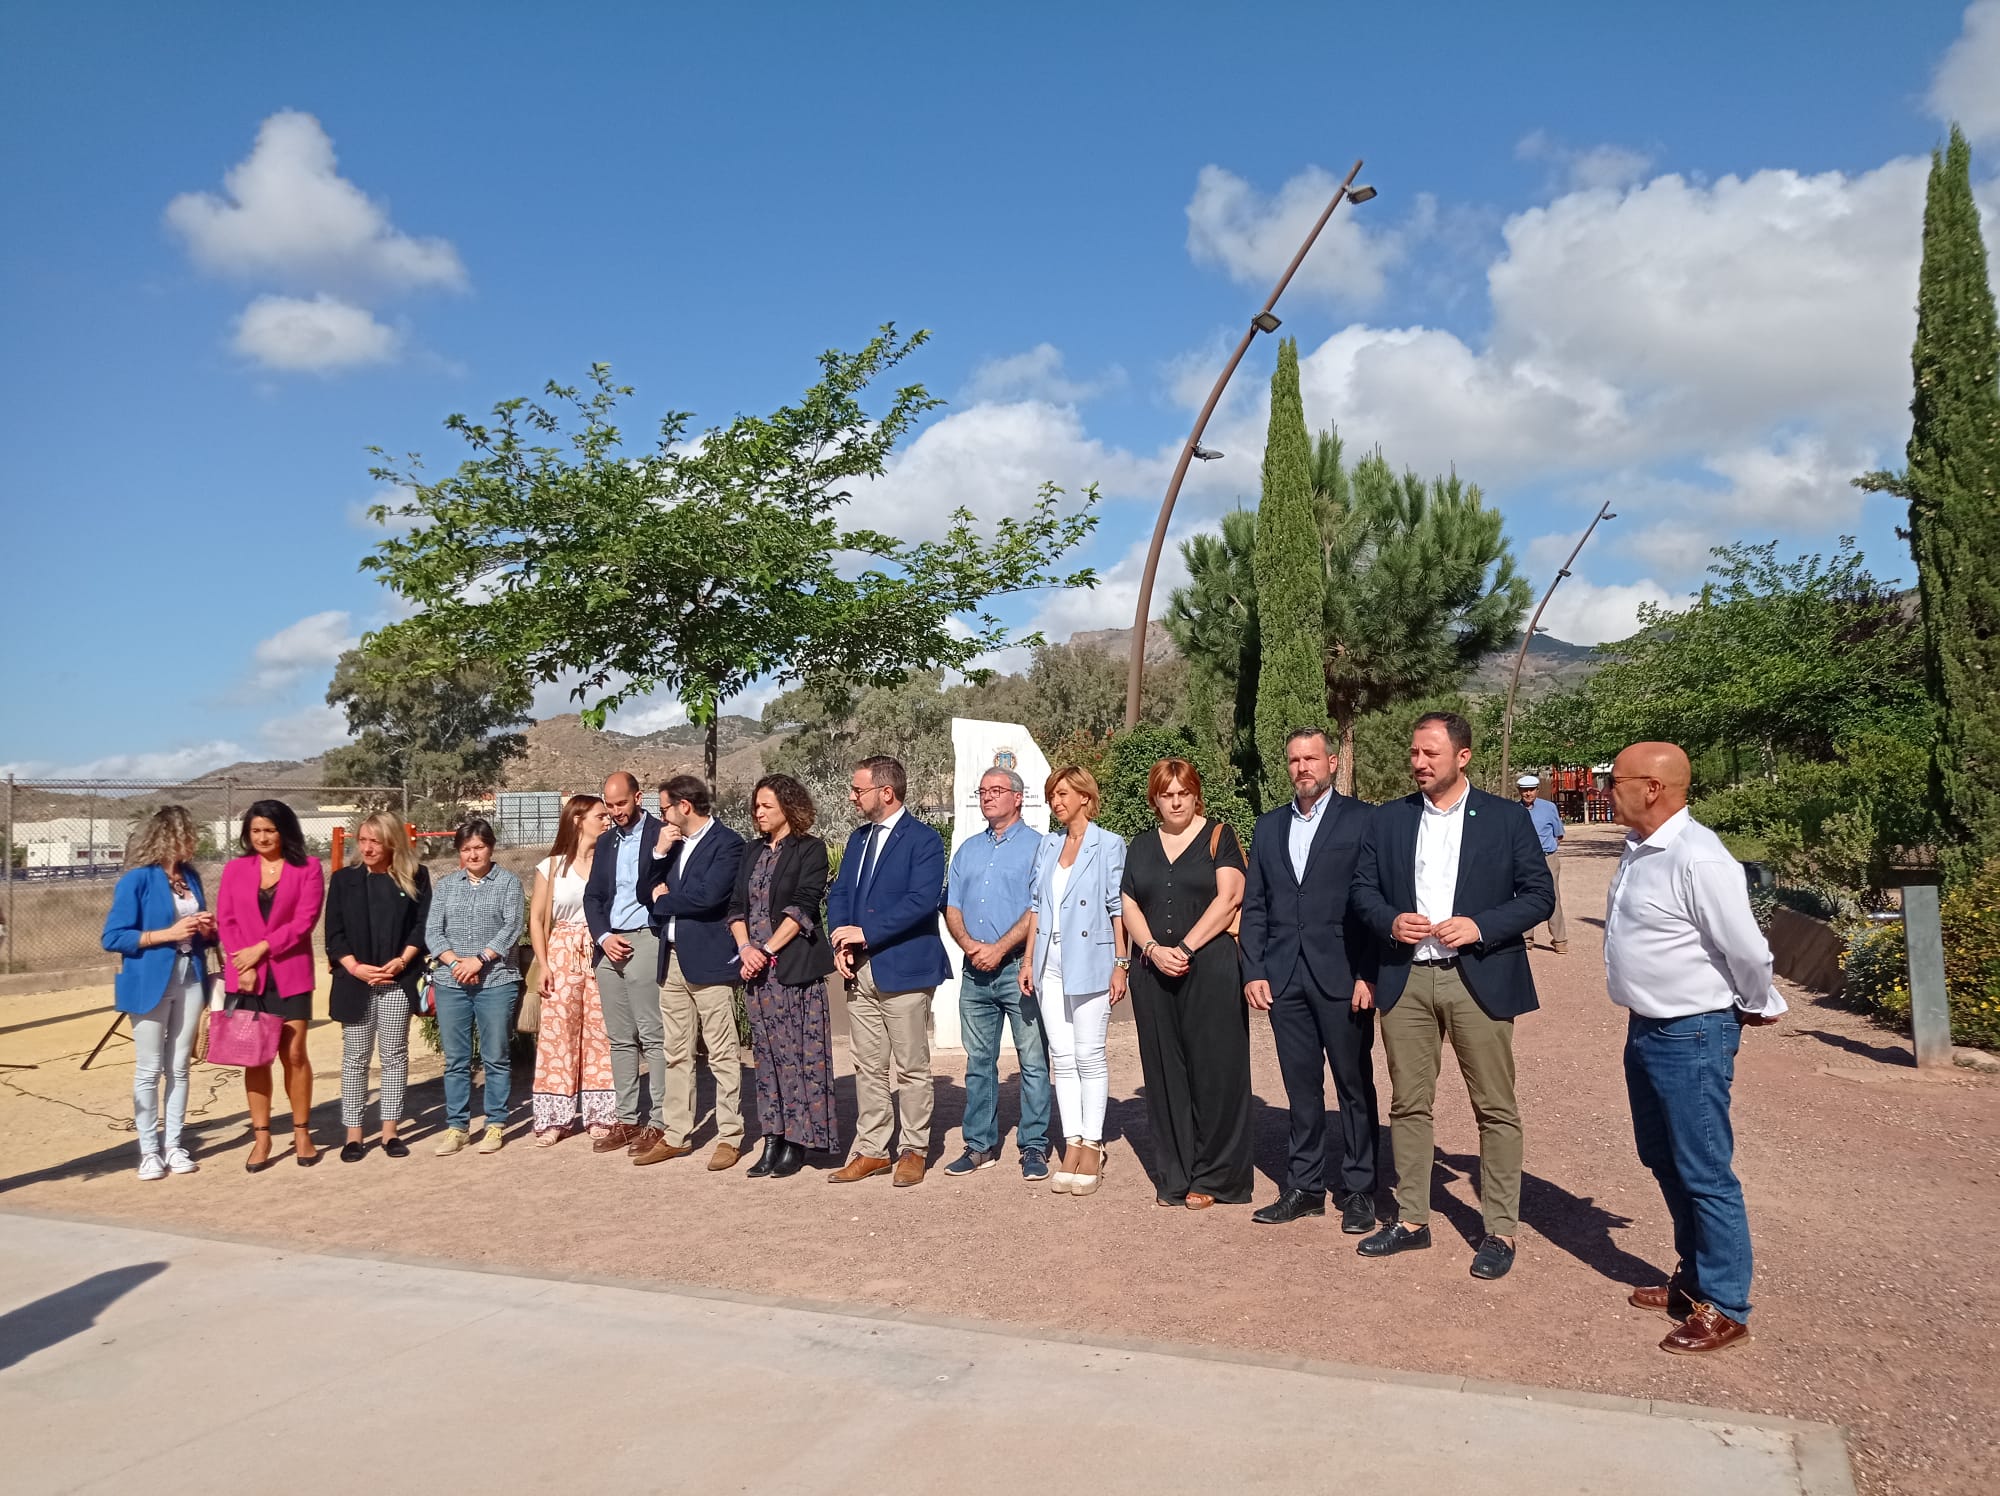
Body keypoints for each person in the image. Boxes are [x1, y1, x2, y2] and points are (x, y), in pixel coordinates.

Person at [1352, 712, 1553, 1278]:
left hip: (1479, 975)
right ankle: (1412, 1220)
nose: (1419, 762)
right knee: (1408, 1104)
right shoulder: (1388, 820)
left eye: (1431, 753)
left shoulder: (1507, 819)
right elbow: (1361, 892)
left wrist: (1481, 925)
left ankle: (1499, 1231)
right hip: (1407, 978)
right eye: (1414, 752)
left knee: (1494, 1106)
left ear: (1462, 756)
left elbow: (1538, 895)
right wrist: (1390, 921)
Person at [1606, 742, 1786, 1355]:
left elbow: (1749, 950)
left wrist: (1755, 1003)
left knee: (1704, 1170)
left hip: (1692, 1031)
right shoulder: (1640, 850)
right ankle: (1692, 1281)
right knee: (1663, 1157)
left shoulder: (1698, 857)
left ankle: (1726, 1304)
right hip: (1648, 1027)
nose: (1608, 788)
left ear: (1652, 788)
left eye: (1616, 779)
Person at [1241, 727, 1381, 1234]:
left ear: (1332, 764)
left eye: (1312, 759)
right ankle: (1304, 1187)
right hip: (1284, 978)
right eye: (1295, 760)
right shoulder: (1268, 826)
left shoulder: (1364, 820)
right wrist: (1252, 969)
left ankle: (1361, 1188)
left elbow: (1373, 905)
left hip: (1343, 975)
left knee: (1353, 1086)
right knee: (1300, 1087)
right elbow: (1255, 904)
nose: (1304, 768)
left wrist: (1369, 973)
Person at [1121, 758, 1250, 1209]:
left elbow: (1230, 897)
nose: (1175, 801)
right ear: (1155, 799)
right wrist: (1153, 950)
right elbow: (1129, 904)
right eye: (1165, 793)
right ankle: (1174, 1173)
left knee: (1216, 1070)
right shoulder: (1139, 846)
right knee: (1163, 1073)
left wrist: (1187, 949)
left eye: (1183, 792)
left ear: (1196, 794)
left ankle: (1216, 1177)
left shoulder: (1220, 835)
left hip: (1210, 965)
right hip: (1153, 972)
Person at [826, 756, 952, 1187]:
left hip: (905, 969)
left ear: (886, 791)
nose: (852, 796)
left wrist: (865, 932)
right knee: (868, 1066)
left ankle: (914, 1149)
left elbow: (921, 901)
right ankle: (872, 1150)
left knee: (912, 1066)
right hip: (859, 970)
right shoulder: (858, 839)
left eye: (858, 789)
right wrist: (841, 940)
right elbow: (840, 892)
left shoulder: (924, 840)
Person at [1021, 766, 1128, 1197]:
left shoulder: (1109, 844)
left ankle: (1093, 1143)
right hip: (1049, 960)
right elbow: (1034, 907)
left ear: (1085, 796)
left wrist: (1121, 962)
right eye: (1051, 796)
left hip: (1092, 958)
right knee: (1060, 1056)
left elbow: (1116, 907)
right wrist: (1027, 961)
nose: (1056, 802)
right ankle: (1071, 1141)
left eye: (1063, 794)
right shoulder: (1048, 845)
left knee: (1089, 1054)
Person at [728, 774, 839, 1177]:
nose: (758, 812)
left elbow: (803, 907)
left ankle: (799, 1140)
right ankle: (772, 1136)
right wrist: (745, 949)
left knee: (799, 1058)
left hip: (792, 971)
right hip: (755, 974)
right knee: (767, 1058)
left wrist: (766, 950)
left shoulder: (810, 850)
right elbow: (736, 906)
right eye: (756, 806)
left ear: (788, 808)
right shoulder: (749, 851)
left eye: (767, 806)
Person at [942, 767, 1050, 1180]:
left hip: (1019, 969)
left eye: (997, 790)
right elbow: (953, 907)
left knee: (1034, 1061)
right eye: (982, 791)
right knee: (978, 1061)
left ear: (1019, 798)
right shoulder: (967, 850)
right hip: (975, 973)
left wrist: (1001, 948)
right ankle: (979, 1145)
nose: (988, 797)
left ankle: (1034, 1146)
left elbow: (1038, 908)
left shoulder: (1040, 848)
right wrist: (972, 947)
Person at [639, 774, 747, 1169]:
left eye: (664, 807)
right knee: (675, 1054)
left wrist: (663, 902)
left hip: (708, 961)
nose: (661, 815)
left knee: (721, 1052)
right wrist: (657, 854)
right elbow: (643, 892)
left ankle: (730, 1135)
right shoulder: (671, 845)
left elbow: (708, 898)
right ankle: (676, 1134)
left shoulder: (728, 844)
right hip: (670, 959)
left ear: (685, 806)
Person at [101, 806, 215, 1180]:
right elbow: (113, 937)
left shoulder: (191, 877)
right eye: (188, 832)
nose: (194, 840)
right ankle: (149, 1150)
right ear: (170, 835)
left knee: (179, 1066)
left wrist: (204, 928)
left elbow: (193, 928)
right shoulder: (137, 880)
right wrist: (168, 934)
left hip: (191, 976)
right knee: (149, 1069)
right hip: (149, 981)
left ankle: (175, 1144)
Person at [216, 799, 327, 1171]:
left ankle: (301, 1131)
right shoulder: (235, 869)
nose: (262, 837)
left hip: (289, 972)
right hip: (244, 975)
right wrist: (242, 963)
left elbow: (304, 921)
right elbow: (227, 920)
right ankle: (261, 1137)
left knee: (293, 1054)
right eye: (256, 831)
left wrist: (261, 949)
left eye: (269, 830)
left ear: (284, 831)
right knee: (256, 1056)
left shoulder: (308, 868)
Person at [325, 811, 431, 1163]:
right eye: (363, 840)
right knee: (355, 1058)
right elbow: (334, 935)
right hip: (356, 982)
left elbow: (421, 927)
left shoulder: (415, 877)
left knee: (394, 1056)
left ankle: (390, 1132)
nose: (367, 847)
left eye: (375, 841)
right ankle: (354, 1135)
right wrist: (355, 968)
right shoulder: (343, 880)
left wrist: (402, 961)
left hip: (396, 982)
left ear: (391, 843)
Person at [425, 819, 525, 1157]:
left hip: (496, 981)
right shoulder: (446, 885)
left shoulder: (508, 883)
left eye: (479, 847)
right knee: (456, 1059)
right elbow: (433, 932)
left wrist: (479, 960)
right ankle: (457, 1127)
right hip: (451, 983)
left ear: (491, 847)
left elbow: (512, 926)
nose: (473, 854)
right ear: (459, 852)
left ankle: (496, 1124)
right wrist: (455, 963)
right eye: (466, 849)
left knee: (495, 1056)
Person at [582, 772, 669, 1157]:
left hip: (645, 938)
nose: (615, 812)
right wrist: (603, 936)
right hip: (610, 943)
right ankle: (628, 1119)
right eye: (610, 805)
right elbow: (593, 896)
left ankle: (661, 1121)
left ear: (638, 797)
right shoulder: (605, 843)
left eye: (621, 804)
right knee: (619, 1038)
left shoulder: (661, 832)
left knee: (652, 1035)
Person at [527, 795, 617, 1144]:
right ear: (578, 819)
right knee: (558, 1036)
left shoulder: (607, 862)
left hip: (599, 952)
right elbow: (536, 919)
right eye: (600, 815)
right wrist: (545, 963)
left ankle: (600, 1115)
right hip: (561, 954)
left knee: (601, 1033)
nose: (606, 821)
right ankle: (554, 1119)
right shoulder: (550, 867)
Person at [1518, 774, 1568, 954]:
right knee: (1524, 896)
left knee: (1552, 896)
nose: (1528, 793)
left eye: (1531, 789)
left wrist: (1548, 849)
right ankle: (1526, 939)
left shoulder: (1549, 808)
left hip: (1547, 858)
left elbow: (1559, 834)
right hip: (1524, 860)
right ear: (1519, 791)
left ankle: (1560, 940)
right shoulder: (1515, 810)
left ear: (1537, 790)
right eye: (1524, 790)